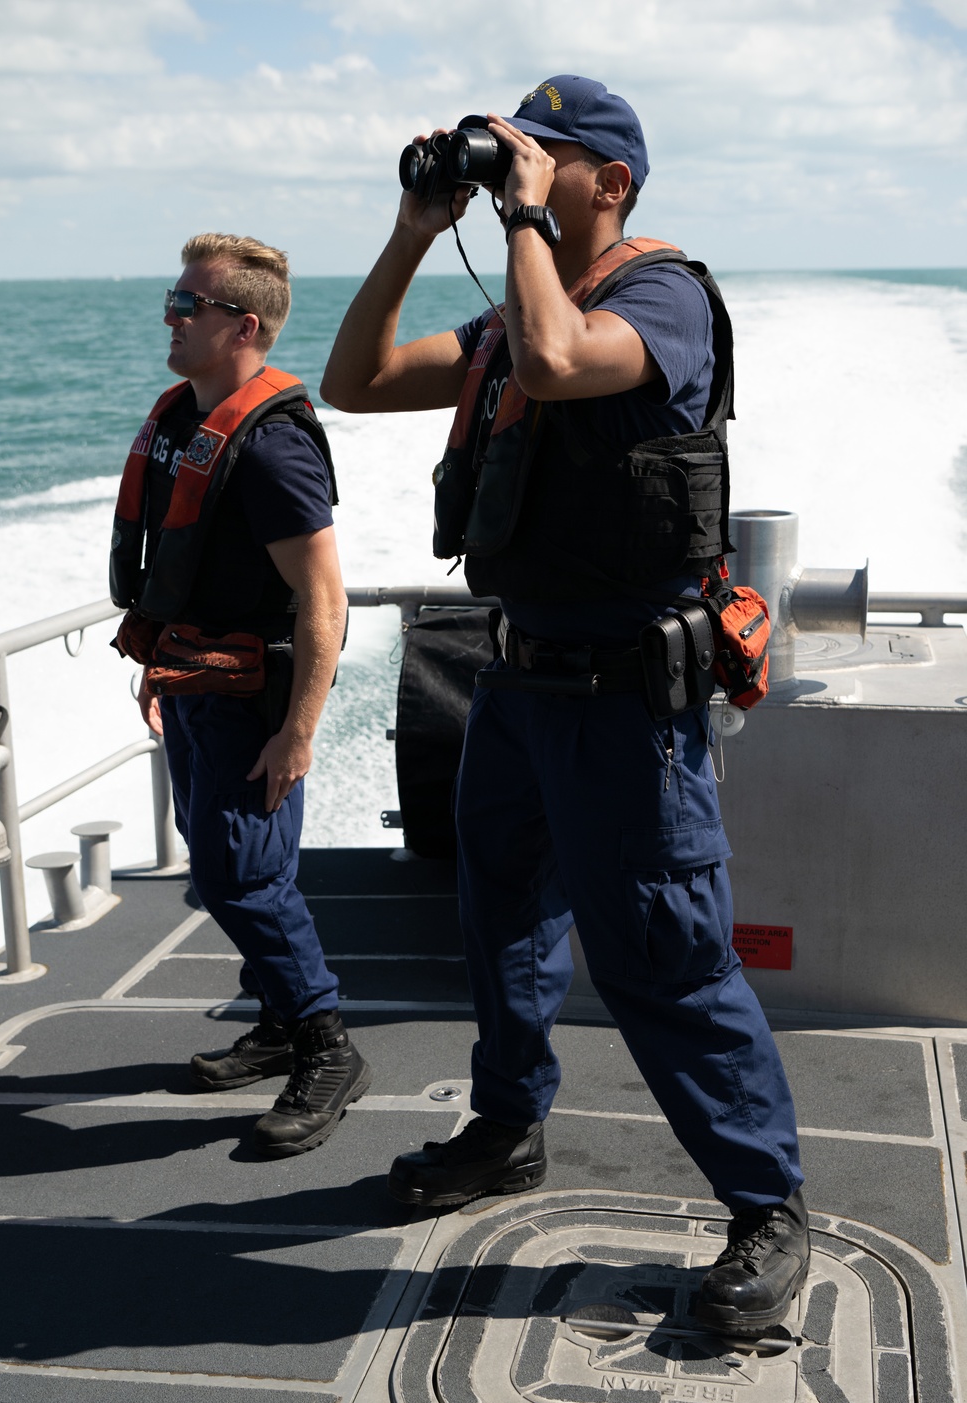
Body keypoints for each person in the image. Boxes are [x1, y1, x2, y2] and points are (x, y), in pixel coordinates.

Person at [322, 77, 808, 1333]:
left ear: (613, 183)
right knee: (502, 927)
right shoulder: (512, 317)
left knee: (663, 960)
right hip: (517, 684)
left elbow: (555, 356)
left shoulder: (666, 300)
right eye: (514, 155)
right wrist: (420, 228)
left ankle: (765, 1204)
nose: (519, 170)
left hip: (625, 706)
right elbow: (356, 377)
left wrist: (524, 216)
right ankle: (503, 1130)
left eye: (550, 157)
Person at [110, 232, 370, 1157]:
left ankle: (324, 1045)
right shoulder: (184, 420)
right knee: (239, 865)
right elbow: (182, 570)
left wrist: (299, 733)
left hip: (253, 695)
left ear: (243, 327)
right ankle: (276, 1019)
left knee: (236, 873)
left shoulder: (272, 452)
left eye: (189, 306)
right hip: (192, 682)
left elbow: (322, 601)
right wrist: (158, 662)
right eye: (173, 300)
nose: (171, 318)